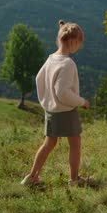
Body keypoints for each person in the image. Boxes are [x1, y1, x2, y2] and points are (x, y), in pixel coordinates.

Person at [21, 20, 90, 186]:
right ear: (73, 42)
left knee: (49, 143)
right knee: (75, 144)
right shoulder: (68, 63)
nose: (79, 47)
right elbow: (63, 93)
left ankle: (31, 177)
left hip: (51, 110)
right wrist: (82, 102)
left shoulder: (51, 58)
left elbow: (39, 79)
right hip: (66, 111)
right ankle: (74, 180)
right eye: (79, 43)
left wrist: (46, 99)